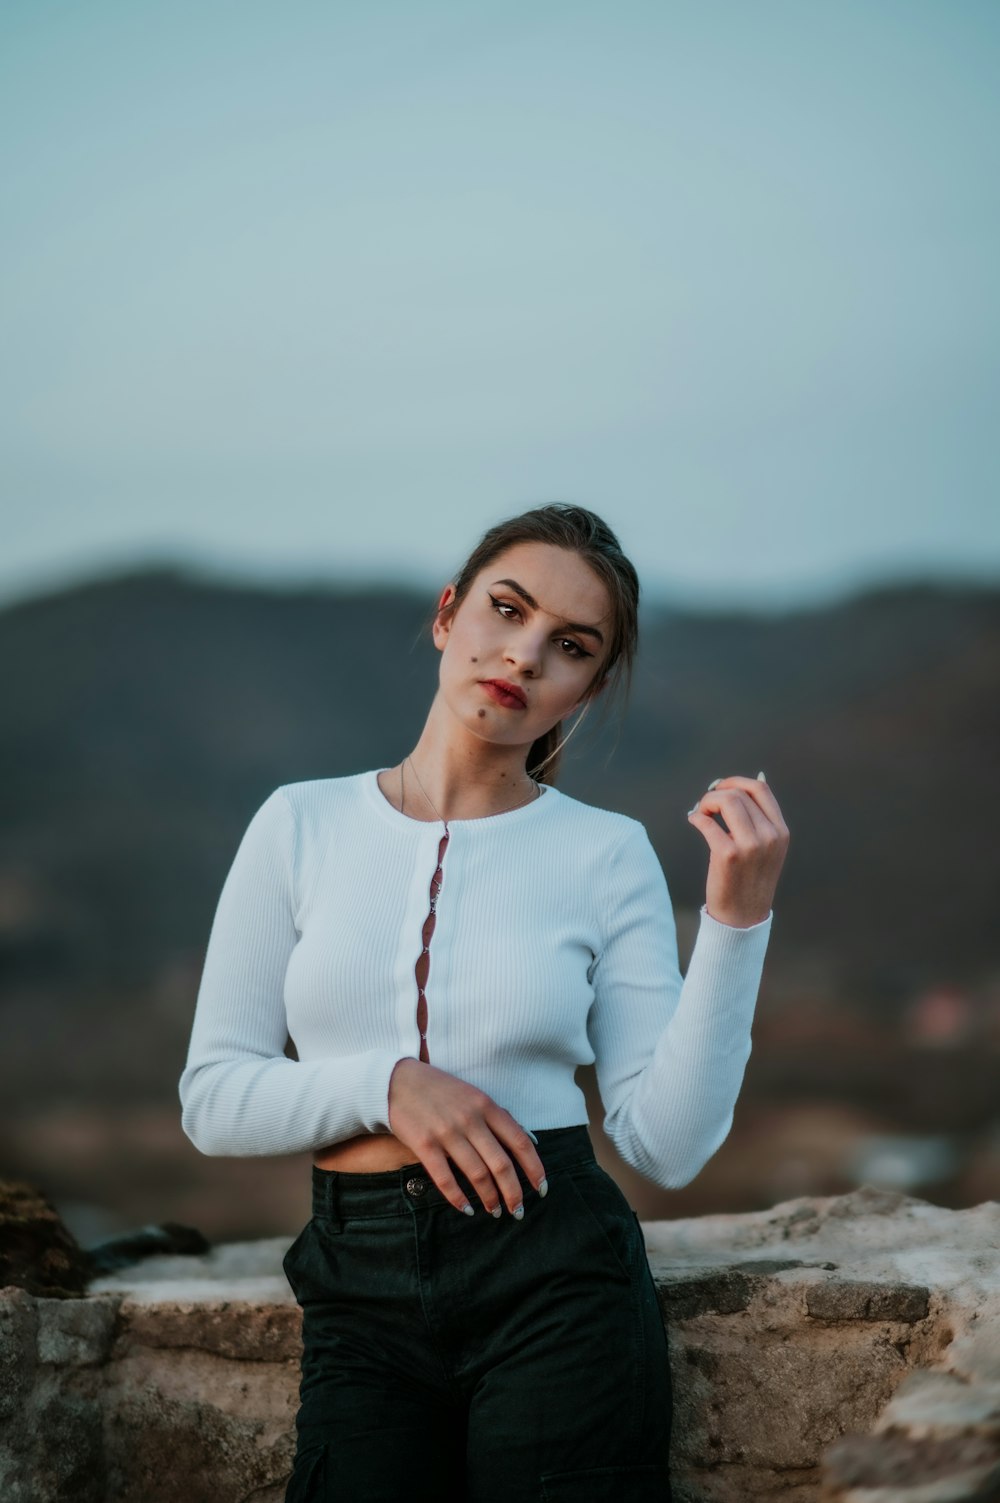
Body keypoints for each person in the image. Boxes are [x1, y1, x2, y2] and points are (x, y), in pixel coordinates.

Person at [178, 503, 789, 1502]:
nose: (523, 654)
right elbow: (213, 1098)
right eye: (505, 611)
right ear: (447, 614)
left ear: (587, 688)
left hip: (557, 1279)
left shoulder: (605, 853)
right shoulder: (299, 823)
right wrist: (388, 1085)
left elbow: (666, 1144)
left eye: (569, 646)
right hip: (357, 1287)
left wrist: (736, 921)